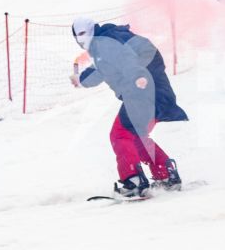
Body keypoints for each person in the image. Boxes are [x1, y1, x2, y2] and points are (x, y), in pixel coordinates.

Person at [71, 17, 188, 198]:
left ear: (92, 29)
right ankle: (166, 176)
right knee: (135, 137)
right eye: (76, 36)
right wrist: (80, 79)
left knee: (120, 134)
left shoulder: (106, 44)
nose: (80, 40)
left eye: (83, 34)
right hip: (153, 93)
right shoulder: (104, 45)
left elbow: (128, 59)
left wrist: (138, 76)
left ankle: (133, 180)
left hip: (144, 91)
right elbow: (99, 71)